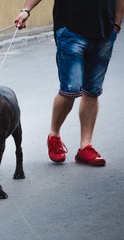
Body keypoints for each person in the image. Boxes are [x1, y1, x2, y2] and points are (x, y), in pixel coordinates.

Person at [15, 0, 124, 166]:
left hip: (104, 31)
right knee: (70, 89)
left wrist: (116, 24)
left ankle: (85, 147)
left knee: (92, 90)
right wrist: (26, 10)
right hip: (71, 30)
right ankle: (54, 135)